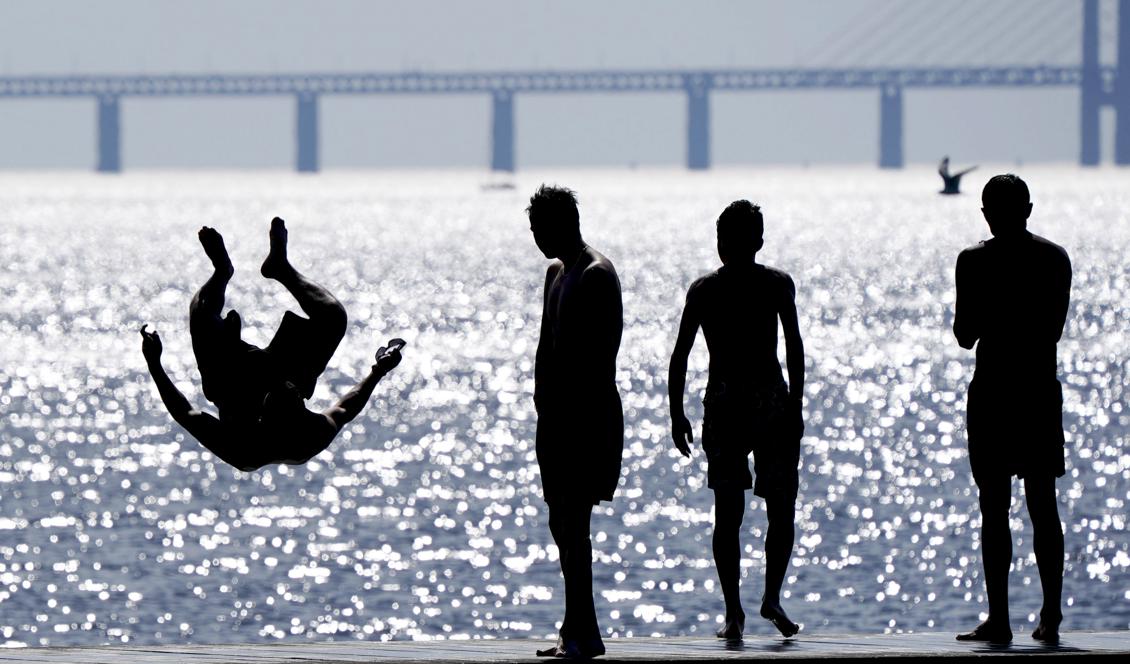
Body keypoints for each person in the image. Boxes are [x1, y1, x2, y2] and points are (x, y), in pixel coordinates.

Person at [140, 217, 403, 471]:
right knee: (333, 318)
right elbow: (347, 407)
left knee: (202, 315)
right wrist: (378, 371)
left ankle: (222, 271)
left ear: (263, 415)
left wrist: (155, 365)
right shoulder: (311, 436)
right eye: (292, 392)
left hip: (230, 381)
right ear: (301, 400)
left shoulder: (243, 451)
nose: (279, 385)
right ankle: (280, 267)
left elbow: (184, 413)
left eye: (277, 393)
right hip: (288, 368)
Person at [668, 200, 804, 640]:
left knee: (770, 508)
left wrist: (797, 408)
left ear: (756, 243)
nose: (730, 248)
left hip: (755, 405)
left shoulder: (770, 285)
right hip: (738, 405)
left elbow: (795, 346)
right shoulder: (709, 290)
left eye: (736, 241)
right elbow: (681, 354)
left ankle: (762, 602)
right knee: (737, 513)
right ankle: (739, 609)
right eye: (726, 240)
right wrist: (676, 411)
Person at [953, 174, 1071, 645]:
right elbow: (1053, 330)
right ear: (1029, 208)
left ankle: (999, 618)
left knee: (993, 508)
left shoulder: (973, 261)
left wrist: (991, 302)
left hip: (994, 392)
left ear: (986, 213)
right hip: (1038, 390)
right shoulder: (1054, 258)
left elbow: (965, 335)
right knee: (1043, 504)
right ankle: (1051, 613)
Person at [528, 185, 624, 658]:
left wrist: (579, 416)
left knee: (576, 521)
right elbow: (547, 344)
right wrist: (541, 397)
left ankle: (586, 633)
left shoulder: (596, 275)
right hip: (555, 418)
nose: (535, 238)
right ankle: (576, 624)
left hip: (586, 417)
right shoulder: (555, 273)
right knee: (559, 522)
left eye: (539, 229)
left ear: (561, 223)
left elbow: (601, 356)